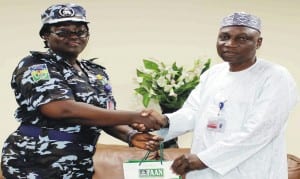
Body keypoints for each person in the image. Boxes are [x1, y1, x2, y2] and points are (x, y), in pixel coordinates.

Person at [1, 3, 163, 178]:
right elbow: (61, 109)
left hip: (78, 163)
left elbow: (104, 115)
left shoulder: (95, 72)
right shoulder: (36, 65)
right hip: (36, 162)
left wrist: (130, 135)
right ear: (46, 35)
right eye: (63, 32)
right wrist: (135, 116)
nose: (74, 37)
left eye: (80, 31)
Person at [145, 12, 299, 178]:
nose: (230, 44)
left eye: (242, 38)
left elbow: (260, 130)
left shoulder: (275, 76)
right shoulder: (213, 74)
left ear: (258, 42)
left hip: (251, 171)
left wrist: (204, 159)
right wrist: (165, 121)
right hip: (204, 173)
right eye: (224, 37)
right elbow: (193, 111)